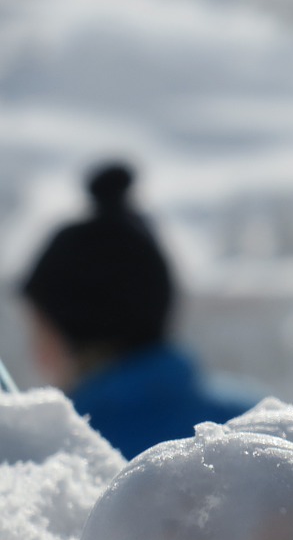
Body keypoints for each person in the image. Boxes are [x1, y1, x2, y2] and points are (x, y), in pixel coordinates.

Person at [19, 160, 258, 458]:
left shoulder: (60, 452)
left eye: (41, 327)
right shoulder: (261, 420)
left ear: (76, 333)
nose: (35, 351)